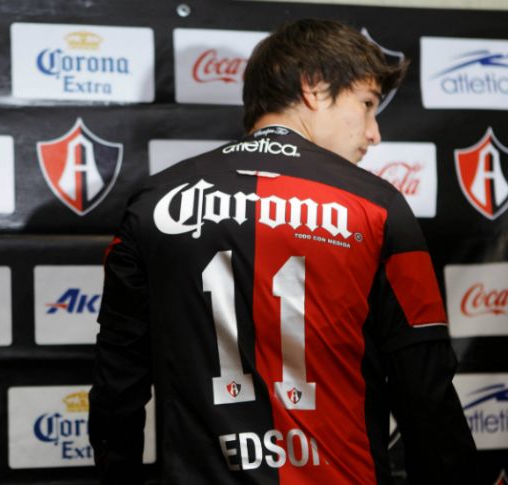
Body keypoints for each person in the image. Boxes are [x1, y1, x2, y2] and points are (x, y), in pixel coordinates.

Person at [89, 18, 477, 485]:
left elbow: (117, 386)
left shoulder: (153, 203)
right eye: (368, 104)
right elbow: (426, 389)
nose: (375, 133)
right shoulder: (377, 205)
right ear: (314, 87)